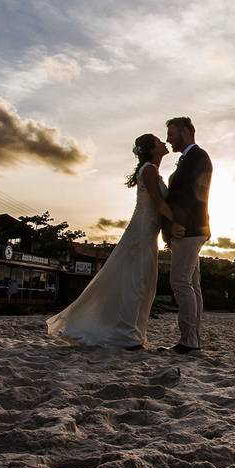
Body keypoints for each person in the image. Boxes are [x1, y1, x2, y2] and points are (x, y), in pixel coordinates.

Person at [47, 134, 172, 349]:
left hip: (149, 233)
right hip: (142, 232)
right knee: (137, 283)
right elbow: (158, 202)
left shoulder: (152, 170)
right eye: (159, 141)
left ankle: (132, 333)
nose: (164, 142)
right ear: (152, 149)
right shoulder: (149, 169)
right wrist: (179, 221)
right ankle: (127, 335)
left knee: (143, 282)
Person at [159, 117, 212, 355]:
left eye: (171, 133)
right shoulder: (189, 158)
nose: (168, 139)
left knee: (180, 282)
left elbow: (191, 194)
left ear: (186, 132)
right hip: (194, 228)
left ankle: (189, 341)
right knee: (192, 284)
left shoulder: (197, 157)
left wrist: (177, 223)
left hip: (189, 228)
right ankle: (192, 340)